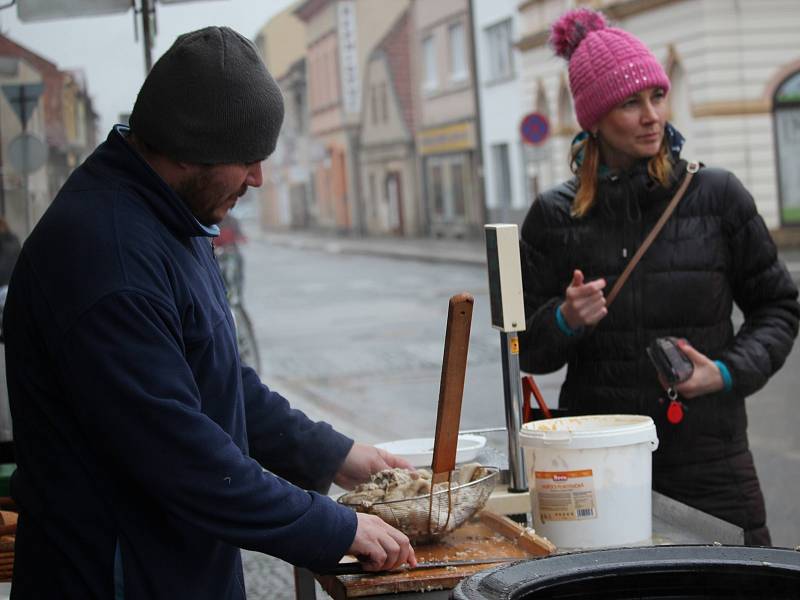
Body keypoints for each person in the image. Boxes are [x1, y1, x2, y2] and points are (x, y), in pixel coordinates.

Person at [2, 26, 416, 599]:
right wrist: (334, 526)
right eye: (246, 159)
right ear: (188, 148)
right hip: (118, 578)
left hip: (176, 569)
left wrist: (336, 456)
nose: (258, 177)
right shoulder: (109, 257)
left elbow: (217, 381)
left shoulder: (171, 213)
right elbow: (180, 455)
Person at [518, 8, 799, 546]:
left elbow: (779, 307)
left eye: (657, 96)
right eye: (630, 102)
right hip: (600, 462)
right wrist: (564, 318)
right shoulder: (554, 217)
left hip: (710, 459)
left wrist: (725, 370)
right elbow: (527, 350)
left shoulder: (716, 196)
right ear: (594, 118)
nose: (652, 116)